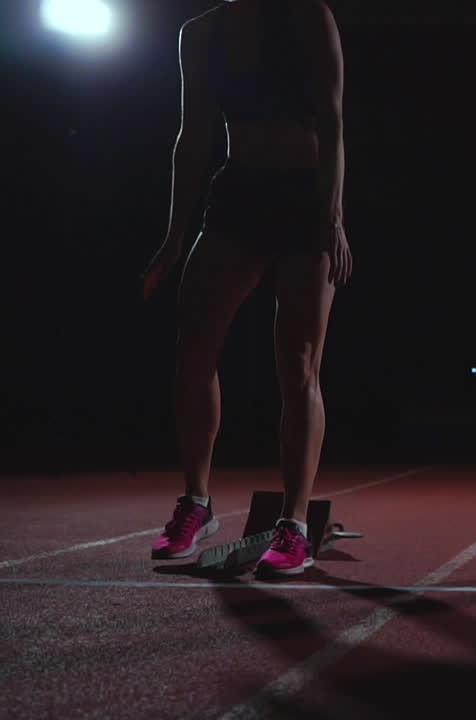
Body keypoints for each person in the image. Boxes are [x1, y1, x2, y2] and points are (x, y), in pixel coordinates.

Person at [140, 0, 350, 577]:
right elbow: (193, 136)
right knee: (194, 351)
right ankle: (196, 503)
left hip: (304, 197)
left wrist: (332, 216)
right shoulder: (200, 33)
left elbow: (332, 120)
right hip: (239, 194)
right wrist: (174, 238)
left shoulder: (308, 16)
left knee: (298, 364)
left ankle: (294, 525)